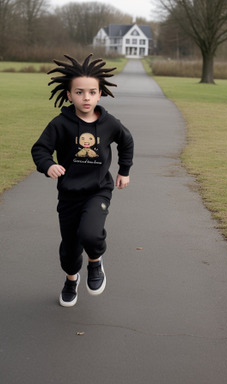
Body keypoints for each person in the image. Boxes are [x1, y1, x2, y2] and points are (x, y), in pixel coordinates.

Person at [31, 54, 134, 307]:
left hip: (98, 191)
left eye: (91, 92)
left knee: (90, 233)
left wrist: (124, 170)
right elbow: (40, 149)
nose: (85, 97)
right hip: (68, 196)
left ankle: (95, 262)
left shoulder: (109, 123)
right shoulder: (60, 124)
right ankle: (71, 278)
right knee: (69, 249)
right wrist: (49, 165)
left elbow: (126, 141)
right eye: (79, 92)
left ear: (100, 94)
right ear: (69, 95)